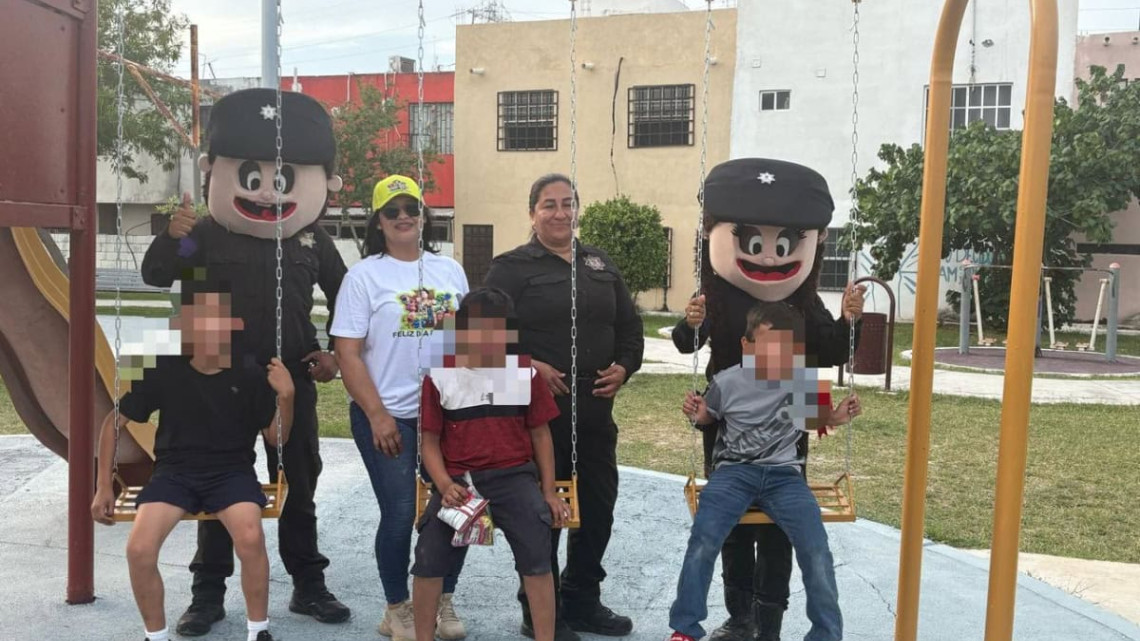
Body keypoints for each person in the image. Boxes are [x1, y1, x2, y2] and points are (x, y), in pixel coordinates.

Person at [141, 88, 350, 634]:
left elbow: (349, 299)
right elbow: (158, 274)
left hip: (290, 381)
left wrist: (334, 356)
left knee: (299, 482)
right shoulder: (204, 236)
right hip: (215, 384)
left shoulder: (311, 239)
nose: (266, 189)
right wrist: (170, 237)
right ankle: (208, 596)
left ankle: (308, 585)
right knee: (216, 483)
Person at [671, 158, 865, 641]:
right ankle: (740, 616)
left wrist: (847, 320)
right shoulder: (714, 296)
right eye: (754, 241)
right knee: (731, 529)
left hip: (784, 436)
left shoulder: (801, 301)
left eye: (786, 243)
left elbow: (831, 351)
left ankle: (770, 621)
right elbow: (687, 344)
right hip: (728, 425)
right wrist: (690, 324)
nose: (771, 255)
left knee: (780, 533)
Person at [484, 174, 644, 641]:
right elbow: (481, 338)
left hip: (595, 412)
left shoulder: (599, 263)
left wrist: (625, 368)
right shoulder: (510, 268)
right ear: (531, 213)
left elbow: (630, 329)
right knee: (542, 512)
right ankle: (540, 607)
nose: (559, 213)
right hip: (538, 418)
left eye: (567, 204)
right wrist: (529, 364)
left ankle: (582, 598)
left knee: (598, 508)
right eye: (548, 205)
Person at [91, 278, 295, 641]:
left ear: (233, 325)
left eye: (217, 319)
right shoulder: (165, 369)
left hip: (231, 472)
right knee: (138, 547)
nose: (208, 328)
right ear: (184, 325)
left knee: (250, 537)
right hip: (174, 474)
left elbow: (277, 437)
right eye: (198, 319)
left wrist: (288, 397)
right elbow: (113, 423)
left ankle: (258, 630)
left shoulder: (248, 372)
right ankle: (155, 635)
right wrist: (103, 485)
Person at [667, 301, 861, 641]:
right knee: (704, 539)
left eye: (785, 349)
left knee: (816, 549)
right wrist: (697, 413)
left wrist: (839, 415)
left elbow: (820, 420)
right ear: (747, 346)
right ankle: (685, 627)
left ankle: (826, 633)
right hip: (733, 474)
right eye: (768, 347)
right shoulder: (727, 382)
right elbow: (709, 415)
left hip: (784, 477)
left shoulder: (801, 381)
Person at [332, 175, 470, 641]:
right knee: (397, 514)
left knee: (458, 507)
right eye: (393, 211)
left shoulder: (449, 270)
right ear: (378, 222)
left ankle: (443, 597)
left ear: (424, 214)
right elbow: (347, 353)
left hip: (447, 414)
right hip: (389, 412)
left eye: (412, 207)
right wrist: (376, 414)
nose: (404, 216)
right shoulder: (363, 276)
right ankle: (397, 608)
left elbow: (468, 342)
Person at [412, 288, 568, 641]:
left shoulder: (523, 373)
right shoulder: (439, 377)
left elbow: (541, 436)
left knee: (537, 554)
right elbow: (430, 443)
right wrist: (442, 483)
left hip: (514, 477)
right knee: (428, 556)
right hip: (458, 481)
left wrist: (547, 490)